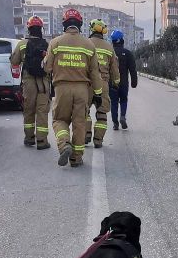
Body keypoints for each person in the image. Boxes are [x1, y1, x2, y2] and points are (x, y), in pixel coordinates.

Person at [45, 8, 100, 167]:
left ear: (64, 24)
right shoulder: (88, 45)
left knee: (59, 120)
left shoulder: (55, 43)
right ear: (80, 25)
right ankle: (76, 159)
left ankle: (64, 145)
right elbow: (95, 73)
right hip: (82, 90)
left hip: (61, 89)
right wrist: (97, 93)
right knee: (79, 123)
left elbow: (47, 68)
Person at [10, 16, 51, 149]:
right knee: (42, 111)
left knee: (29, 110)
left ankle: (29, 139)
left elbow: (14, 62)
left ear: (29, 29)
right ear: (41, 29)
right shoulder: (48, 45)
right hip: (44, 84)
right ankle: (42, 141)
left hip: (28, 83)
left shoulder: (22, 44)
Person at [86, 18, 118, 148]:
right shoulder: (109, 47)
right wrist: (116, 82)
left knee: (84, 111)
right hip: (103, 83)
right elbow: (114, 69)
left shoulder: (86, 43)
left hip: (87, 84)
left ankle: (85, 136)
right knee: (102, 112)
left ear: (91, 29)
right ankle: (98, 140)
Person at [109, 29, 138, 130]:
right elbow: (133, 69)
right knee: (124, 100)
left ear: (112, 41)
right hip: (124, 83)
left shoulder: (109, 53)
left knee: (113, 102)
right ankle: (123, 117)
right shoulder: (128, 53)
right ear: (122, 40)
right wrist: (134, 82)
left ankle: (115, 123)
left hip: (112, 83)